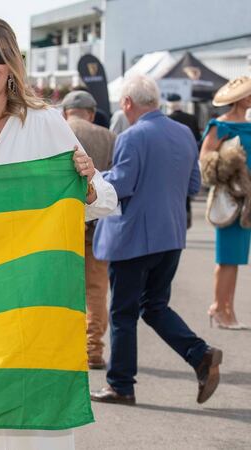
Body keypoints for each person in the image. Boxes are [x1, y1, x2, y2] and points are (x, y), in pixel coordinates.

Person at [0, 18, 117, 450]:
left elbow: (105, 199)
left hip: (29, 297)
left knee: (26, 424)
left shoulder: (43, 121)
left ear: (13, 62)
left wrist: (87, 181)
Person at [90, 75, 222, 407]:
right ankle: (199, 353)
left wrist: (93, 177)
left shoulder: (133, 136)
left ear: (127, 103)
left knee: (123, 313)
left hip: (133, 237)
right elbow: (193, 186)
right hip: (172, 234)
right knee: (155, 306)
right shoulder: (183, 132)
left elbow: (122, 185)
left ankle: (121, 385)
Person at [60, 90, 116, 370]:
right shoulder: (108, 136)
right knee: (96, 288)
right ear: (92, 113)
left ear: (65, 111)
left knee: (61, 287)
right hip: (98, 223)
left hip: (61, 223)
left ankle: (64, 347)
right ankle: (93, 347)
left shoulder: (57, 131)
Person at [200, 75, 251, 329]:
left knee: (237, 257)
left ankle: (225, 307)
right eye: (248, 93)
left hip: (247, 199)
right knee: (227, 256)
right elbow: (206, 159)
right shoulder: (220, 125)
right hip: (230, 196)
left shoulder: (248, 124)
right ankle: (220, 308)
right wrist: (230, 164)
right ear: (238, 97)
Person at [167, 93, 200, 230]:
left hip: (170, 160)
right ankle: (186, 219)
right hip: (188, 157)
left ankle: (175, 220)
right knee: (186, 189)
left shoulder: (167, 119)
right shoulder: (191, 118)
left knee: (174, 191)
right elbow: (198, 138)